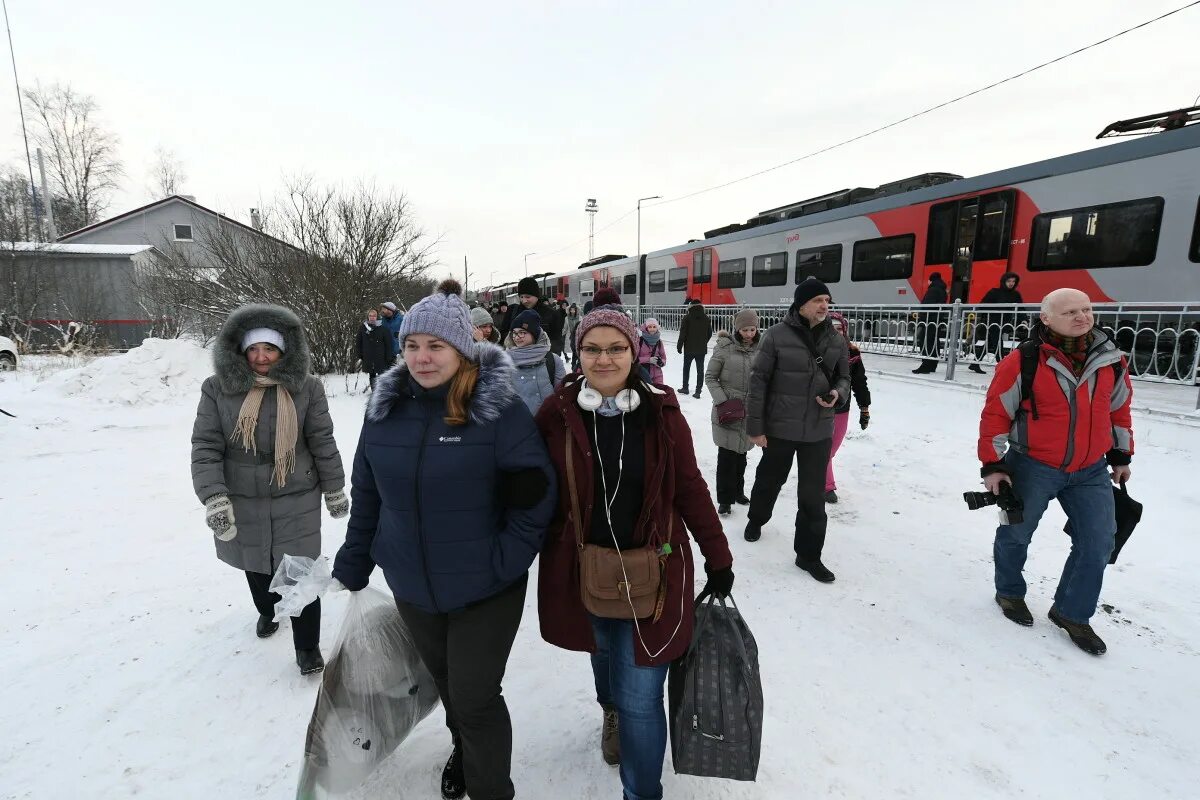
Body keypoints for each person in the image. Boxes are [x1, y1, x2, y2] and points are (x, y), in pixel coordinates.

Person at [332, 279, 556, 800]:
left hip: (486, 588)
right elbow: (367, 490)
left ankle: (491, 790)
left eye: (436, 346)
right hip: (413, 584)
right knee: (451, 689)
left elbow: (537, 497)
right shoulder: (383, 410)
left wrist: (504, 560)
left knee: (476, 696)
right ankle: (464, 748)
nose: (422, 357)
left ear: (461, 350)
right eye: (412, 345)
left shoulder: (497, 410)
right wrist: (357, 556)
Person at [534, 302, 734, 800]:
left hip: (656, 574)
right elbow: (532, 493)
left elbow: (690, 487)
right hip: (586, 572)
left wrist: (719, 555)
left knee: (642, 699)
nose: (604, 359)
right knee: (603, 660)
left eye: (616, 348)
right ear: (576, 353)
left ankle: (641, 793)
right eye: (592, 349)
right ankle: (610, 710)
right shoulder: (554, 415)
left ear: (633, 352)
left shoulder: (662, 413)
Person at [191, 304, 347, 676]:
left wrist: (335, 489)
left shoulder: (307, 389)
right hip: (242, 495)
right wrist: (214, 496)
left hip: (297, 491)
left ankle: (307, 647)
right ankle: (267, 610)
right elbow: (206, 445)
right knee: (256, 563)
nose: (261, 358)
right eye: (253, 349)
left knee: (301, 572)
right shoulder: (218, 389)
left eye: (270, 349)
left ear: (285, 351)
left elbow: (322, 440)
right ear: (241, 351)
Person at [978, 288, 1133, 656]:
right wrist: (993, 465)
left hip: (1091, 468)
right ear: (1046, 319)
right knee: (1016, 533)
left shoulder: (1111, 359)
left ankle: (1072, 613)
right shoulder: (1025, 360)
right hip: (1033, 464)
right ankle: (1010, 592)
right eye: (1070, 312)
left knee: (1099, 541)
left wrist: (1121, 455)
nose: (1082, 317)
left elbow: (1119, 411)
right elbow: (996, 413)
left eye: (1086, 309)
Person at [744, 277, 850, 583]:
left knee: (813, 498)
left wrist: (837, 395)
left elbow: (844, 378)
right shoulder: (776, 336)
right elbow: (758, 382)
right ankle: (756, 519)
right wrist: (755, 427)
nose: (824, 307)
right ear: (801, 304)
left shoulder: (836, 340)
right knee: (769, 480)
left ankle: (808, 556)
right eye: (818, 300)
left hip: (818, 430)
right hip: (780, 427)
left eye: (827, 302)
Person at [704, 308, 761, 515]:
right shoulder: (724, 348)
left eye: (752, 329)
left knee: (742, 455)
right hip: (728, 410)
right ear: (737, 329)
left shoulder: (761, 349)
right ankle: (725, 500)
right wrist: (724, 401)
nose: (749, 334)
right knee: (727, 456)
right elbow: (710, 377)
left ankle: (738, 492)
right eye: (745, 329)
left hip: (750, 410)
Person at [823, 312, 871, 503]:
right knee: (824, 449)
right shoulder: (816, 351)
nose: (836, 332)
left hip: (842, 408)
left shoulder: (853, 353)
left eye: (839, 329)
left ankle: (816, 469)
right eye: (831, 328)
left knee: (832, 450)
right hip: (820, 407)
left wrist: (864, 408)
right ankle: (827, 486)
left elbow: (860, 383)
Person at [505, 308, 566, 415]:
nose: (516, 337)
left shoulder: (552, 360)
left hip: (549, 424)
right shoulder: (505, 361)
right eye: (514, 333)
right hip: (517, 425)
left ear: (535, 334)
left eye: (522, 332)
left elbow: (562, 396)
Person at [970, 272, 1025, 374]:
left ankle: (974, 364)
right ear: (1004, 281)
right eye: (1009, 281)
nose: (1011, 283)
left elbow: (1020, 308)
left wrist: (1024, 319)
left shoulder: (1015, 294)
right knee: (998, 344)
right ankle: (1003, 365)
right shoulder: (994, 292)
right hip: (992, 322)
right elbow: (983, 305)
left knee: (990, 343)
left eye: (1013, 281)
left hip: (1004, 323)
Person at [503, 277, 562, 355]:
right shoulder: (513, 312)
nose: (524, 301)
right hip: (517, 359)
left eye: (528, 297)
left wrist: (551, 360)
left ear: (536, 295)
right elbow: (504, 334)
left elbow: (556, 340)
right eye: (521, 297)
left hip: (542, 360)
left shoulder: (551, 314)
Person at [912, 273, 947, 374]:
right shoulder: (942, 290)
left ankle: (925, 365)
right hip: (937, 320)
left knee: (925, 342)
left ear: (931, 280)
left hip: (929, 320)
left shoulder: (933, 290)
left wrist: (922, 319)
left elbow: (927, 306)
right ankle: (932, 365)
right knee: (934, 342)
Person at [676, 301, 712, 398]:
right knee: (700, 370)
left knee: (686, 368)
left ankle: (685, 387)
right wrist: (703, 342)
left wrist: (679, 346)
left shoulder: (687, 318)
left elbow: (683, 333)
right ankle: (698, 391)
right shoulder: (706, 318)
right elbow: (709, 333)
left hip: (689, 348)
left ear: (690, 307)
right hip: (701, 349)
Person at [356, 308, 397, 390]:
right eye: (370, 316)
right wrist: (360, 354)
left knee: (382, 375)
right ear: (368, 317)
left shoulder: (383, 329)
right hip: (368, 357)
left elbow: (388, 344)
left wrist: (389, 356)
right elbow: (358, 342)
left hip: (381, 357)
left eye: (374, 316)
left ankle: (381, 391)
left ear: (377, 317)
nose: (372, 317)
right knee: (372, 375)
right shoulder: (363, 328)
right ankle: (374, 391)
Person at [636, 318, 667, 385]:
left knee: (659, 392)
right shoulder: (640, 341)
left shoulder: (659, 342)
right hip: (643, 374)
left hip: (657, 374)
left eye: (654, 327)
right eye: (650, 327)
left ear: (657, 328)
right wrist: (648, 359)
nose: (652, 329)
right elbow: (634, 359)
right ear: (646, 328)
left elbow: (663, 357)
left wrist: (661, 362)